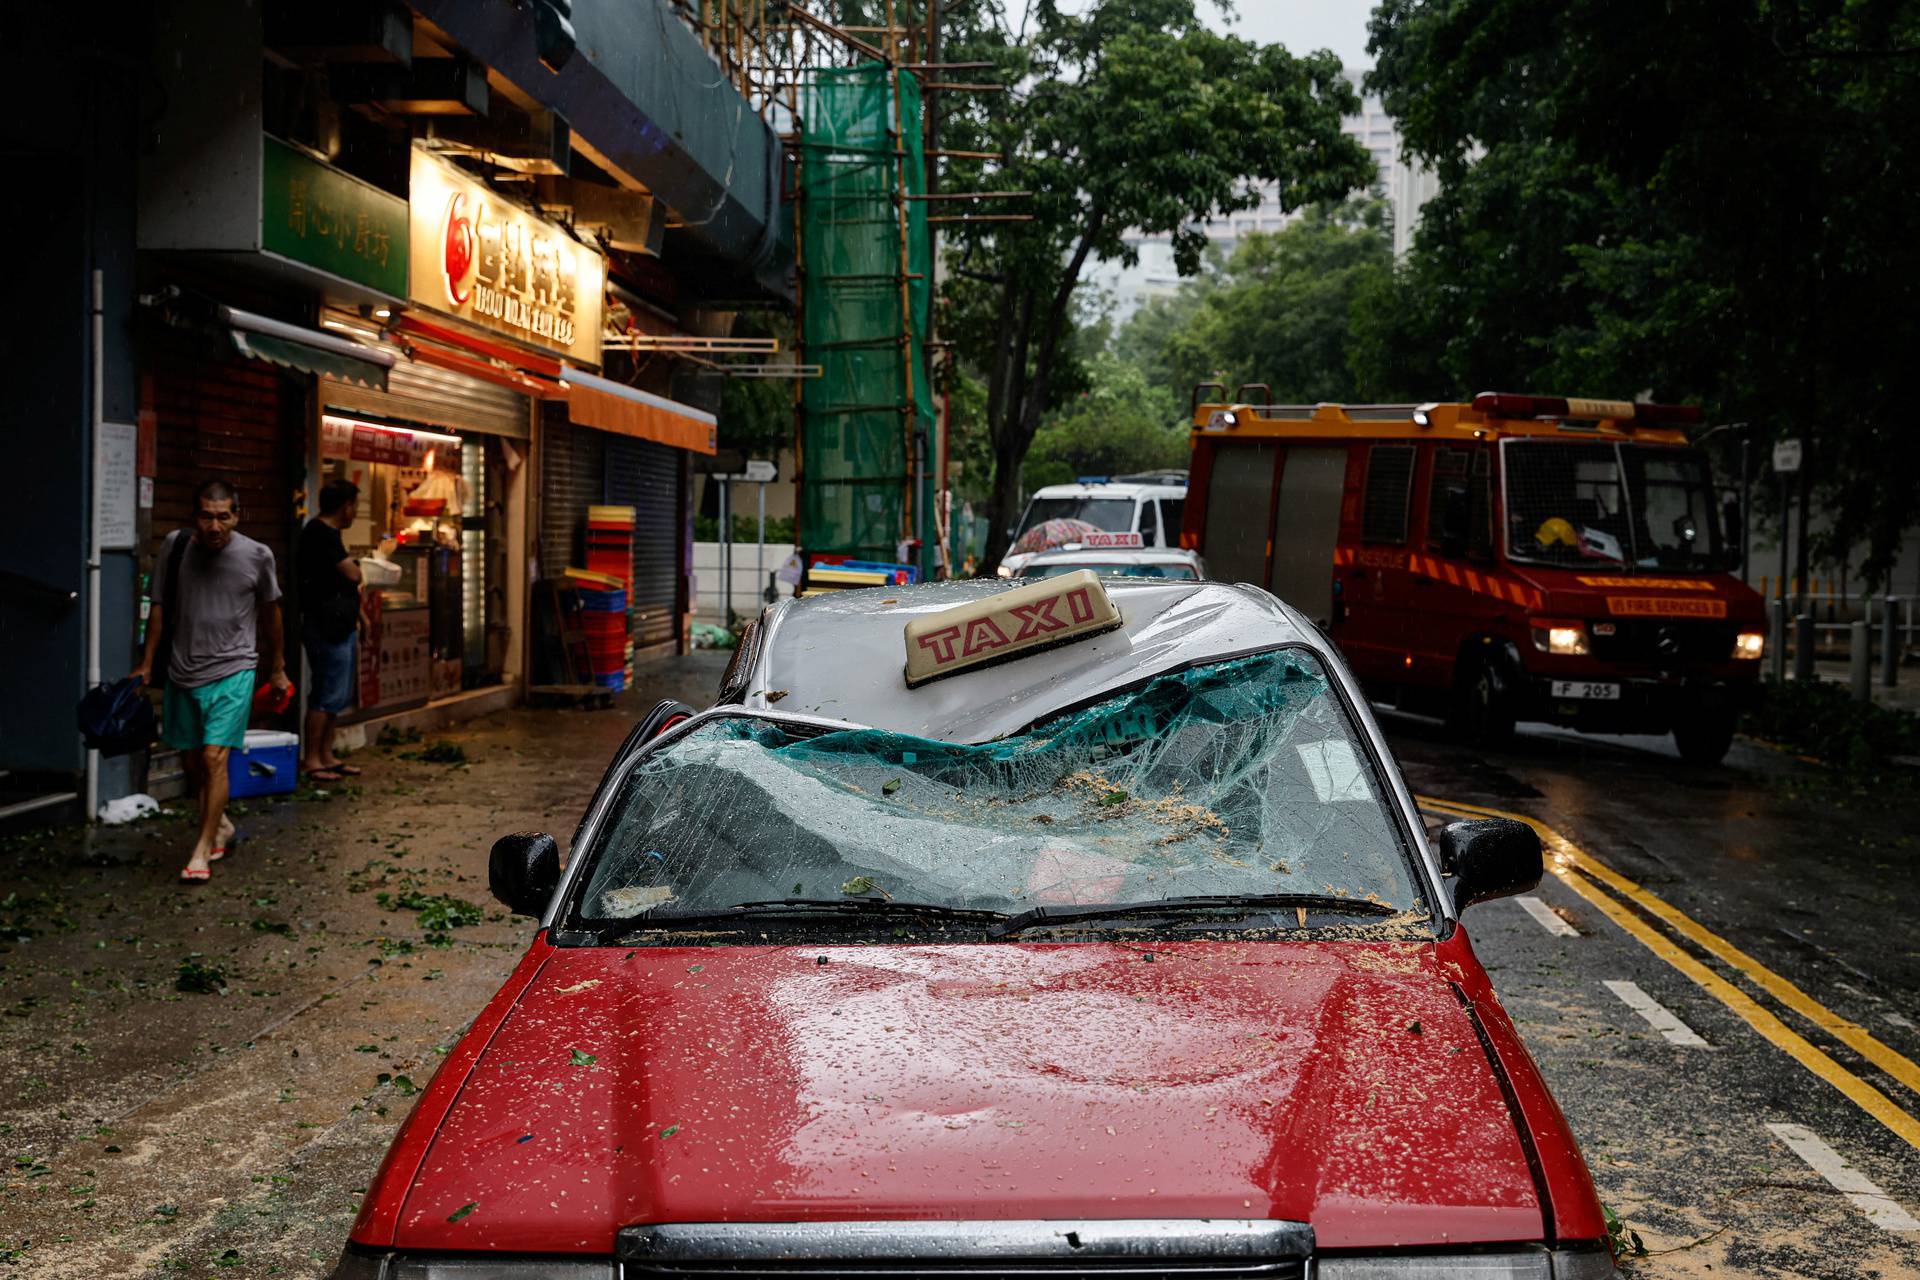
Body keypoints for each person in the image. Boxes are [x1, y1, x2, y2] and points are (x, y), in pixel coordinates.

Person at [131, 479, 290, 882]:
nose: (214, 526)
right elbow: (160, 608)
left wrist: (277, 666)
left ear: (236, 516)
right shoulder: (175, 545)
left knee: (214, 757)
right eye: (206, 516)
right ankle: (219, 825)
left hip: (234, 670)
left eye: (223, 517)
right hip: (183, 671)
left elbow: (272, 612)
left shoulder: (257, 555)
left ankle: (201, 850)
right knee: (191, 760)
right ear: (194, 517)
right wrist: (147, 663)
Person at [297, 479, 368, 783]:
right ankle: (312, 759)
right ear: (345, 506)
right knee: (325, 694)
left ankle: (326, 754)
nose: (355, 511)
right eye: (354, 505)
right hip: (326, 627)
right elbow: (351, 573)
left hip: (340, 624)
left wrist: (361, 617)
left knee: (335, 695)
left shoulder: (330, 534)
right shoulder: (319, 533)